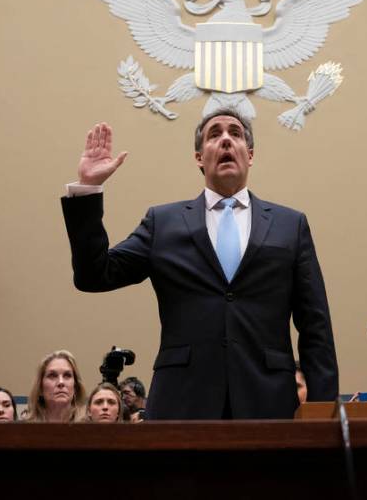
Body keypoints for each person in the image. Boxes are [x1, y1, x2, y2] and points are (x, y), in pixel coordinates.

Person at [61, 111, 339, 420]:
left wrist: (323, 410)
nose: (225, 139)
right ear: (199, 157)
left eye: (235, 133)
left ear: (250, 155)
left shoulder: (290, 225)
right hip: (182, 401)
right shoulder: (163, 223)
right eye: (214, 134)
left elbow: (315, 326)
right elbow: (94, 275)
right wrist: (88, 189)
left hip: (268, 400)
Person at [25, 350, 87, 423]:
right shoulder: (24, 429)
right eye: (52, 376)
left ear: (75, 387)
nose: (61, 382)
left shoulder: (90, 427)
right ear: (40, 388)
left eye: (67, 375)